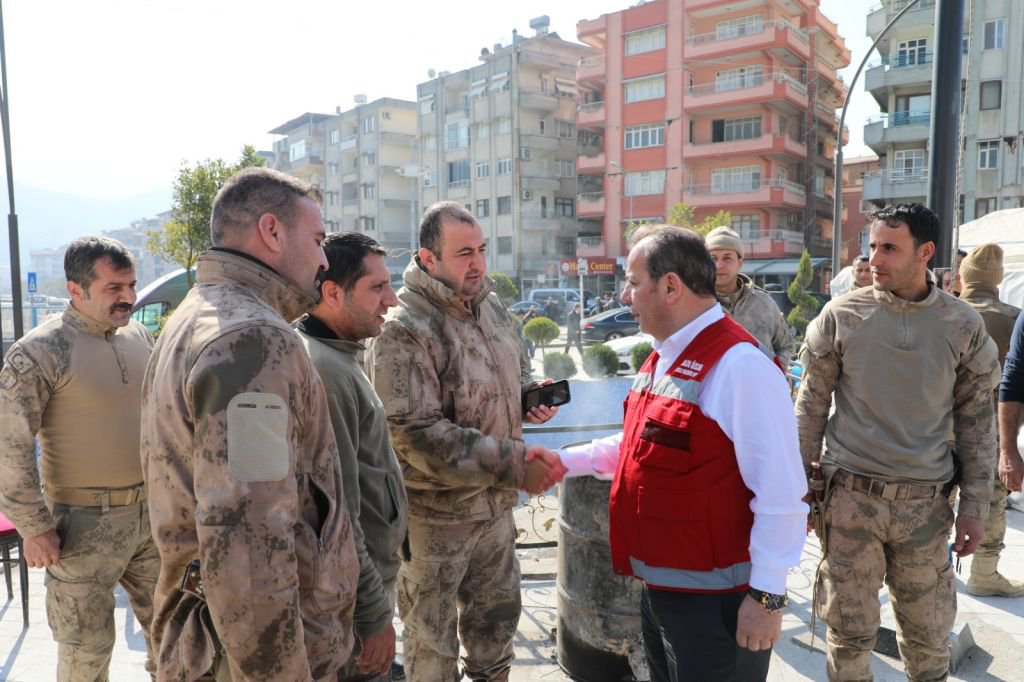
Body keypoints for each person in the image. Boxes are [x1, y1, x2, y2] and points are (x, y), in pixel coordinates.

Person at [558, 224, 807, 682]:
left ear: (670, 286)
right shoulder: (663, 355)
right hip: (664, 591)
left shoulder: (740, 367)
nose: (624, 297)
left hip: (720, 604)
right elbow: (641, 445)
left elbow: (782, 494)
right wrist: (563, 461)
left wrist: (767, 599)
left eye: (633, 283)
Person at [141, 167, 360, 680]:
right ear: (272, 231)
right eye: (318, 238)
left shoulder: (198, 315)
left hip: (211, 643)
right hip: (253, 655)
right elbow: (249, 545)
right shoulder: (254, 340)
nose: (325, 258)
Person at [796, 203, 1000, 680]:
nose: (875, 259)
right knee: (848, 638)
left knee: (930, 644)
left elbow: (977, 422)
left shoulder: (963, 325)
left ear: (925, 252)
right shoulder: (842, 315)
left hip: (925, 510)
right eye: (871, 246)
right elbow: (809, 407)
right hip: (849, 500)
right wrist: (799, 483)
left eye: (889, 247)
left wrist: (975, 506)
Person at [364, 201, 566, 681]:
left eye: (481, 250)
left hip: (495, 513)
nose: (477, 263)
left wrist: (528, 399)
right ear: (428, 258)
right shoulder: (404, 328)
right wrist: (516, 461)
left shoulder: (490, 306)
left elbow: (513, 376)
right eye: (463, 253)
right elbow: (415, 435)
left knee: (495, 637)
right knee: (431, 651)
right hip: (437, 522)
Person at [0, 236, 160, 681]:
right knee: (85, 658)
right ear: (76, 289)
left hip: (152, 520)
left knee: (176, 639)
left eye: (130, 284)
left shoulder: (139, 335)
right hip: (80, 527)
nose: (127, 296)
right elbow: (9, 446)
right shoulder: (41, 350)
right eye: (113, 288)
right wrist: (33, 528)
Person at [295, 232, 409, 681]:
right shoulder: (327, 370)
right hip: (351, 598)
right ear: (333, 293)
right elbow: (340, 513)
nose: (392, 299)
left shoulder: (338, 355)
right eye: (377, 287)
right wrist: (373, 616)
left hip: (363, 586)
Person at [957, 244, 1024, 596]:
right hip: (992, 432)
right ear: (997, 280)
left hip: (934, 430)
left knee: (933, 499)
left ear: (963, 276)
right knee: (992, 501)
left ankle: (931, 566)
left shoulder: (942, 312)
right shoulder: (1014, 318)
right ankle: (984, 573)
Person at [704, 226, 794, 365]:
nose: (719, 265)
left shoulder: (764, 303)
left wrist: (771, 373)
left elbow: (786, 346)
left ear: (740, 262)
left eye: (727, 258)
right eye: (713, 258)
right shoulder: (696, 305)